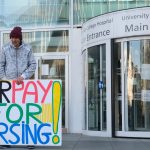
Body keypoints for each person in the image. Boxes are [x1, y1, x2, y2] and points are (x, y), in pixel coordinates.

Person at [0, 26, 36, 149]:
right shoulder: (4, 48)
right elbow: (1, 65)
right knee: (9, 113)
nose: (14, 40)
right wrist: (5, 80)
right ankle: (6, 139)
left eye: (16, 37)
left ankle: (29, 140)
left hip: (24, 86)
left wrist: (24, 76)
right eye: (12, 37)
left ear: (20, 38)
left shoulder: (28, 48)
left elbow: (33, 65)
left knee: (26, 112)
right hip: (8, 87)